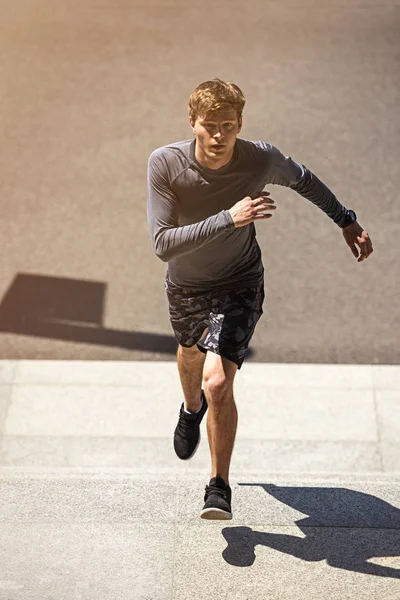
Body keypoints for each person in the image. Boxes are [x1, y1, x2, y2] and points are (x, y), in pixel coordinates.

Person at [146, 78, 373, 520]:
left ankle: (218, 486)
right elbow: (163, 245)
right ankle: (189, 410)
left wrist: (346, 220)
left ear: (240, 124)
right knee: (191, 355)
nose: (218, 135)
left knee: (218, 382)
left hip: (240, 281)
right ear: (192, 122)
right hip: (186, 286)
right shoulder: (166, 164)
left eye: (227, 125)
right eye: (209, 125)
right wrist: (229, 218)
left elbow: (305, 181)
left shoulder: (260, 158)